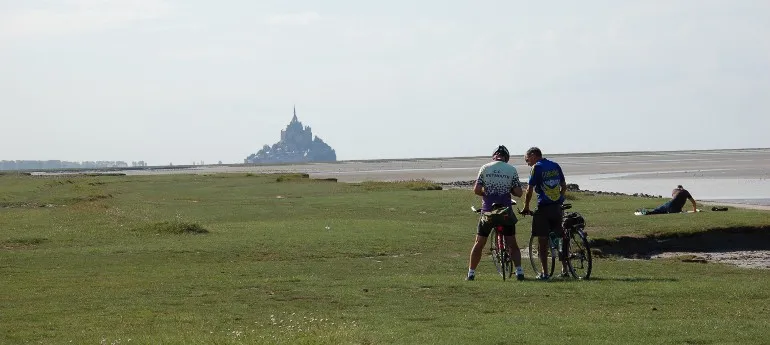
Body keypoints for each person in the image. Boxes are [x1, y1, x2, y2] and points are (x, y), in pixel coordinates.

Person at [467, 145, 525, 281]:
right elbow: (518, 192)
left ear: (494, 156)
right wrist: (509, 190)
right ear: (506, 158)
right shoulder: (511, 169)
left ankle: (471, 273)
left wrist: (486, 194)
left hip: (488, 211)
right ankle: (519, 272)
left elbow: (477, 190)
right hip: (505, 211)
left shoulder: (485, 168)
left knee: (479, 243)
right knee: (512, 243)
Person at [520, 147, 568, 280]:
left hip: (544, 208)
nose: (527, 163)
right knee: (559, 237)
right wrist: (559, 199)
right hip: (557, 207)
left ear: (533, 155)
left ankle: (545, 273)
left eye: (527, 160)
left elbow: (529, 189)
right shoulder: (555, 165)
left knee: (542, 240)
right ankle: (565, 268)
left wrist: (526, 206)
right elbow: (564, 186)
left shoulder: (536, 167)